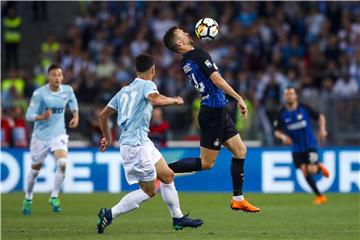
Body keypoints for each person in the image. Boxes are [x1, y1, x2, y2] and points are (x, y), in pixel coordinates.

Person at [96, 54, 203, 234]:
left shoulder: (124, 90)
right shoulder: (148, 85)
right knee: (149, 191)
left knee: (168, 175)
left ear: (136, 70)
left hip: (141, 142)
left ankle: (178, 218)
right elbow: (155, 99)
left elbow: (103, 115)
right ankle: (109, 214)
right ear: (152, 70)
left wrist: (107, 137)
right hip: (136, 146)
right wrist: (174, 100)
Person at [163, 26, 260, 212]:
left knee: (240, 150)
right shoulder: (199, 55)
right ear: (179, 43)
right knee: (206, 163)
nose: (187, 32)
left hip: (218, 110)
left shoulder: (188, 60)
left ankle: (238, 199)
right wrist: (238, 97)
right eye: (182, 33)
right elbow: (217, 80)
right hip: (212, 112)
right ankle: (161, 170)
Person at [22, 64, 79, 215]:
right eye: (54, 75)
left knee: (62, 163)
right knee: (35, 170)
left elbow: (73, 102)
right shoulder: (39, 94)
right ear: (48, 77)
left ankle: (54, 196)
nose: (57, 78)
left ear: (62, 77)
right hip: (40, 137)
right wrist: (41, 117)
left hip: (58, 133)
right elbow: (28, 115)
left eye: (59, 75)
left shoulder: (67, 90)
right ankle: (28, 198)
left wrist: (75, 116)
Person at [274, 87, 330, 205]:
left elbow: (320, 116)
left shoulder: (304, 108)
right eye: (287, 94)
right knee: (304, 171)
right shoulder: (282, 113)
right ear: (285, 97)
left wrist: (322, 130)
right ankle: (320, 196)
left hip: (310, 145)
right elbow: (276, 131)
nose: (289, 96)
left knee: (312, 170)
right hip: (296, 148)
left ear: (296, 96)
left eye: (292, 94)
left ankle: (319, 167)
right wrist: (283, 137)